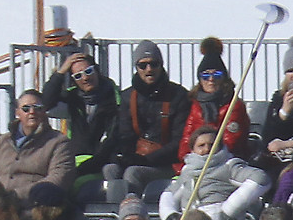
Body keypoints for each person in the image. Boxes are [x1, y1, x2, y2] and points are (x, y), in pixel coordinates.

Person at [0, 92, 77, 209]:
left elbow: (59, 178)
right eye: (26, 108)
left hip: (33, 209)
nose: (32, 112)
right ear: (17, 112)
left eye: (37, 108)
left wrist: (13, 197)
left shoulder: (59, 142)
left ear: (44, 111)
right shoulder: (1, 141)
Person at [37, 48, 119, 188]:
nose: (85, 78)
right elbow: (46, 104)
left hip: (104, 162)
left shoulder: (116, 99)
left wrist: (82, 169)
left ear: (97, 71)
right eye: (78, 76)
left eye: (88, 71)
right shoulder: (72, 99)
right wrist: (60, 73)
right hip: (75, 162)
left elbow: (112, 141)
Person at [109, 42, 188, 181]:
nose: (149, 69)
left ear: (161, 65)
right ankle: (117, 202)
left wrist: (146, 160)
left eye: (154, 64)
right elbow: (124, 135)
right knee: (110, 170)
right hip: (137, 158)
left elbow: (179, 142)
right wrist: (126, 156)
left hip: (168, 163)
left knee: (132, 174)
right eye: (143, 65)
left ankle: (133, 202)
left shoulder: (178, 95)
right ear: (136, 68)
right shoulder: (128, 97)